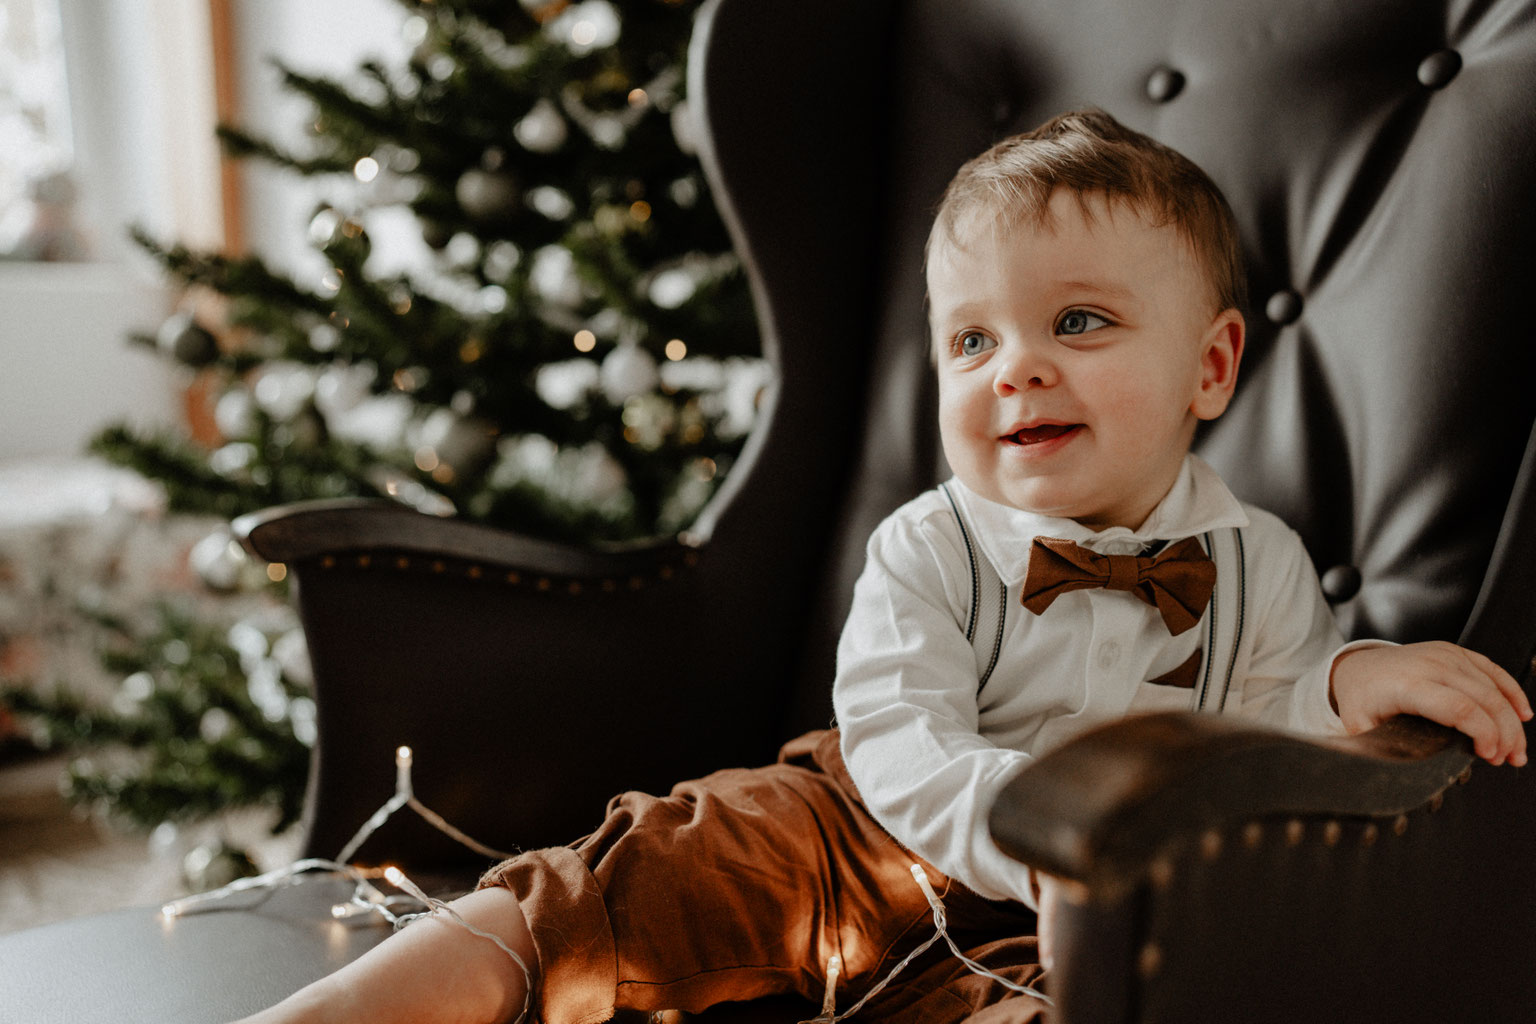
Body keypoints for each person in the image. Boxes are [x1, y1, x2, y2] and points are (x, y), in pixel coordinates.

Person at [238, 109, 1531, 1024]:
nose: (1015, 367)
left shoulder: (1254, 563)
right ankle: (359, 1009)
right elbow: (903, 737)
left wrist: (1349, 678)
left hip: (1072, 909)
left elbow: (1265, 727)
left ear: (1211, 364)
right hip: (861, 826)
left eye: (1079, 321)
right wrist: (1025, 833)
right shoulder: (934, 542)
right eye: (972, 340)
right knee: (660, 871)